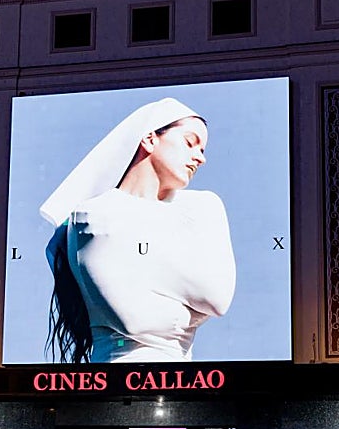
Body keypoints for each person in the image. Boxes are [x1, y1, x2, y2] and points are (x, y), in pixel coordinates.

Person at [40, 97, 235, 363]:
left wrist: (137, 264)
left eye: (202, 149)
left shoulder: (202, 206)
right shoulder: (93, 214)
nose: (201, 158)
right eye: (190, 142)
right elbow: (134, 321)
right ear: (150, 139)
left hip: (184, 379)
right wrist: (190, 305)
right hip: (114, 376)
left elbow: (217, 298)